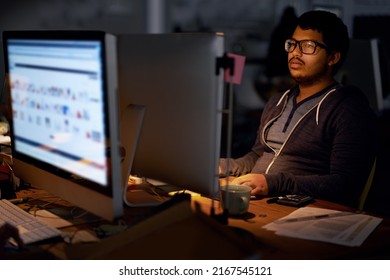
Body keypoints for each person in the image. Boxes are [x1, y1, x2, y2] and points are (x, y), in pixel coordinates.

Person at [219, 10, 378, 207]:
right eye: (292, 44)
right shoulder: (278, 102)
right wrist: (225, 166)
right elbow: (257, 156)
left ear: (333, 57)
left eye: (308, 46)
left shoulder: (346, 109)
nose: (295, 52)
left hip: (301, 211)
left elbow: (345, 185)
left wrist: (273, 183)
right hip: (259, 199)